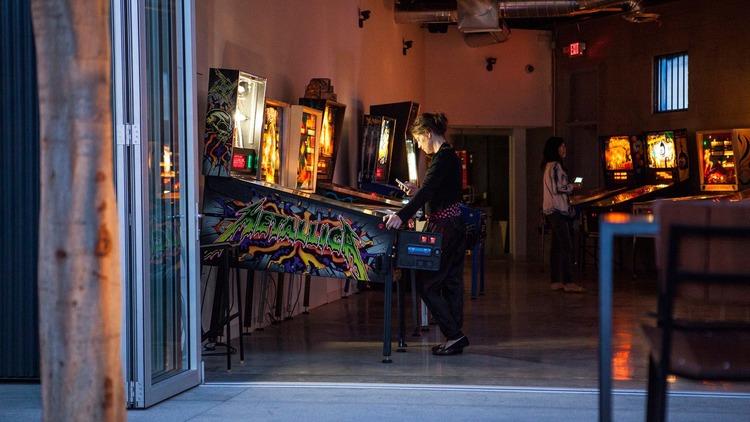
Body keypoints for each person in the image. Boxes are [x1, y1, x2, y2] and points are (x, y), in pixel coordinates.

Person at [383, 112, 469, 356]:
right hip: (455, 226)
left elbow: (428, 193)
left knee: (426, 284)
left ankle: (454, 335)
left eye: (420, 140)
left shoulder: (442, 158)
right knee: (451, 282)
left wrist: (401, 216)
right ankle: (454, 336)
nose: (420, 146)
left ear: (428, 133)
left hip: (445, 228)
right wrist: (417, 190)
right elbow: (434, 191)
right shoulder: (448, 156)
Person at [541, 136, 585, 293]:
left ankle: (555, 280)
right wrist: (572, 187)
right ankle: (568, 281)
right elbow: (558, 188)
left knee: (556, 246)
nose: (564, 149)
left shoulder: (548, 166)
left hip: (551, 211)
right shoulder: (555, 166)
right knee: (566, 246)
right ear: (555, 149)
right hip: (558, 211)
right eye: (562, 146)